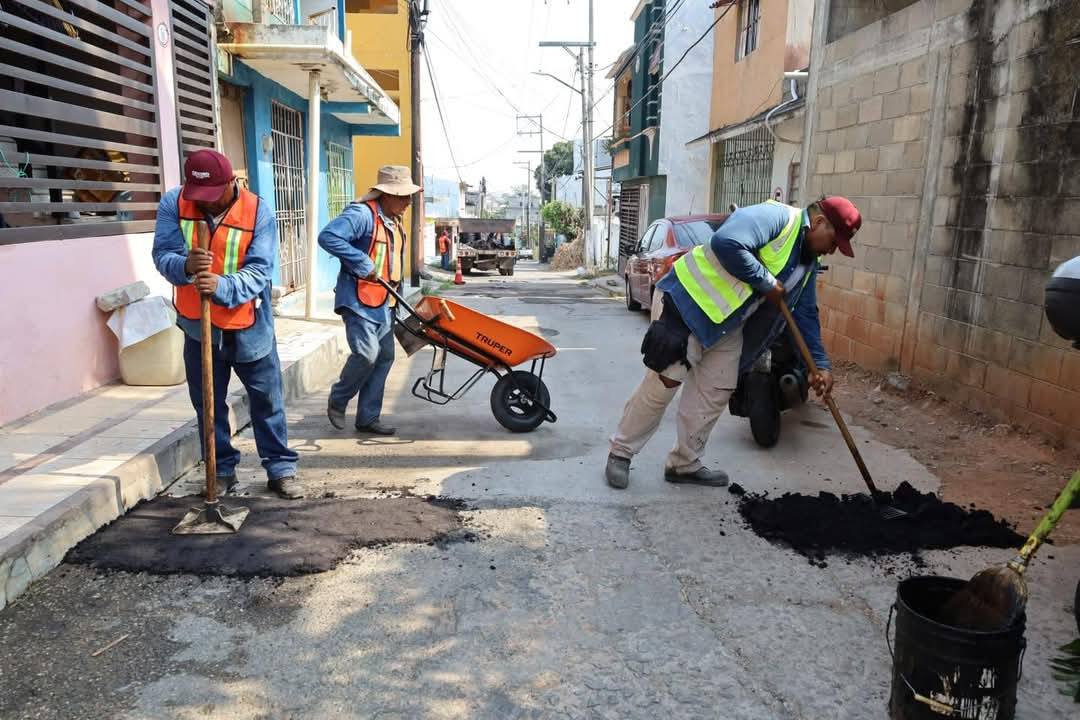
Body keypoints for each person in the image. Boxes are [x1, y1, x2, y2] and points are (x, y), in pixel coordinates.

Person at [605, 196, 863, 490]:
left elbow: (805, 314)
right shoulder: (776, 218)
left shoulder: (807, 264)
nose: (832, 250)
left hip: (728, 327)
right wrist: (766, 281)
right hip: (687, 305)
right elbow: (726, 242)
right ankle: (620, 453)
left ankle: (684, 463)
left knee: (715, 390)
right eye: (834, 241)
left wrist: (821, 366)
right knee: (664, 383)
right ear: (819, 223)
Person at [152, 150, 303, 499]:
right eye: (198, 195)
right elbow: (162, 255)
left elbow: (260, 270)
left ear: (230, 183)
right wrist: (185, 266)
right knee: (207, 403)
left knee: (266, 400)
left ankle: (280, 467)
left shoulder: (258, 210)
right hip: (198, 326)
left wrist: (222, 286)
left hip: (249, 324)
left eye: (212, 195)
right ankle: (220, 470)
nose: (204, 203)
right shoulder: (175, 203)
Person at [320, 165, 422, 435]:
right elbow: (328, 236)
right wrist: (361, 261)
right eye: (402, 196)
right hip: (358, 300)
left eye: (409, 196)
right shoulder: (362, 215)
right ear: (385, 194)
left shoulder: (394, 219)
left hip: (385, 303)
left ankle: (367, 417)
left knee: (385, 357)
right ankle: (339, 399)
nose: (408, 202)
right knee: (367, 354)